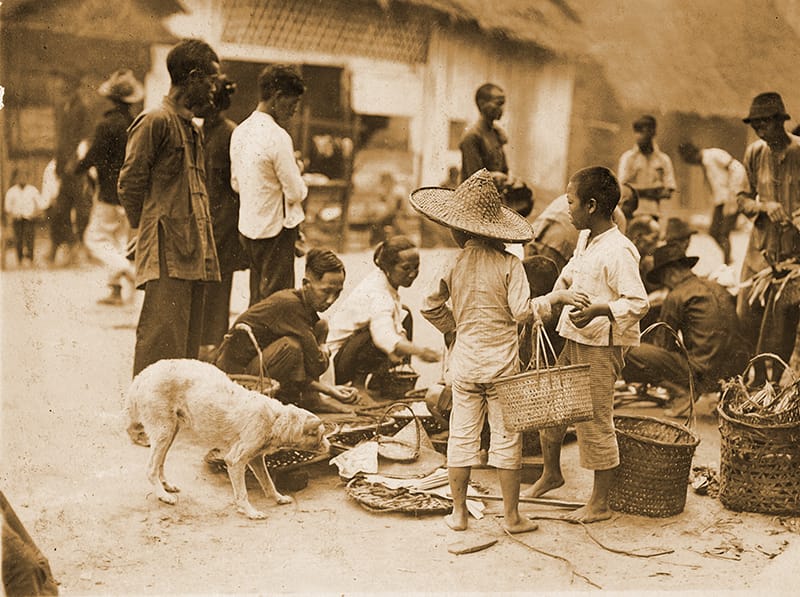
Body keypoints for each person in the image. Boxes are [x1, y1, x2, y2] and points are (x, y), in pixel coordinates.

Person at [414, 168, 585, 534]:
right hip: (502, 366)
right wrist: (553, 298)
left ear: (458, 229)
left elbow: (429, 305)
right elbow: (523, 312)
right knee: (508, 441)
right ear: (496, 230)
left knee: (462, 437)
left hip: (466, 364)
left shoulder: (453, 262)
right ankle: (512, 517)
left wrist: (454, 328)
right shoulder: (509, 264)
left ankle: (458, 514)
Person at [524, 166, 649, 523]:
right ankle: (551, 473)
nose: (566, 209)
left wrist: (600, 309)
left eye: (571, 202)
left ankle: (599, 502)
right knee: (554, 407)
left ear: (592, 206)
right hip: (573, 335)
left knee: (595, 418)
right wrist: (553, 299)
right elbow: (571, 274)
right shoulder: (585, 239)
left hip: (600, 345)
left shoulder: (620, 250)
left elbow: (639, 303)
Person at [118, 38, 222, 447]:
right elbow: (130, 183)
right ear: (193, 77)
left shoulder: (191, 128)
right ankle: (141, 423)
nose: (215, 89)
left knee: (183, 347)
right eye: (212, 80)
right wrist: (145, 229)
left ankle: (171, 416)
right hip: (167, 251)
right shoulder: (155, 121)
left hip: (193, 252)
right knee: (159, 340)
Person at [215, 248, 357, 414]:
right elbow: (317, 365)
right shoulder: (290, 305)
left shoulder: (302, 305)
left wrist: (329, 390)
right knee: (291, 347)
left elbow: (307, 366)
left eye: (337, 293)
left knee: (318, 328)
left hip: (255, 369)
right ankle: (309, 400)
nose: (330, 300)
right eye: (326, 291)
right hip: (234, 380)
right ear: (306, 284)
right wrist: (324, 345)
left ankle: (312, 400)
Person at [622, 243, 747, 415]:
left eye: (663, 278)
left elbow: (663, 343)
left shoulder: (677, 295)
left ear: (670, 273)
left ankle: (681, 391)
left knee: (629, 349)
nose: (665, 284)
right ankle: (725, 395)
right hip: (733, 373)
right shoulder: (716, 287)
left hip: (703, 375)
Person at [230, 65, 307, 306]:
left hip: (249, 227)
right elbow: (297, 192)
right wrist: (297, 170)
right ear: (277, 97)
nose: (294, 110)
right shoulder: (277, 136)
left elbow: (236, 184)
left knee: (257, 298)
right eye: (292, 103)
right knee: (278, 301)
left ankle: (253, 341)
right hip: (275, 231)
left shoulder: (240, 131)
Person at [737, 92, 800, 383]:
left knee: (782, 319)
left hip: (792, 253)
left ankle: (774, 382)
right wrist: (764, 206)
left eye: (765, 123)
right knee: (747, 312)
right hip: (759, 250)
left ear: (780, 121)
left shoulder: (799, 152)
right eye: (755, 125)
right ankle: (757, 376)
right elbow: (742, 198)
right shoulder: (754, 153)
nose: (760, 130)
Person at [327, 236, 441, 393]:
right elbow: (383, 336)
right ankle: (358, 385)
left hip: (347, 356)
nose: (413, 273)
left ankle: (382, 380)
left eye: (416, 267)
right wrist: (419, 351)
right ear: (388, 267)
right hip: (335, 364)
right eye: (406, 268)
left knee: (404, 313)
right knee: (372, 333)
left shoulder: (385, 281)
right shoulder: (378, 293)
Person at [75, 69, 143, 305]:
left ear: (111, 98)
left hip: (107, 192)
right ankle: (116, 290)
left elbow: (94, 154)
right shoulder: (135, 124)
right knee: (119, 241)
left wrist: (77, 168)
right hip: (128, 191)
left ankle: (130, 272)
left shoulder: (107, 124)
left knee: (94, 238)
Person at [195, 75, 248, 352]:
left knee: (218, 289)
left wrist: (221, 227)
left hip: (223, 222)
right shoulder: (200, 132)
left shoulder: (230, 133)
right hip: (203, 220)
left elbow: (236, 187)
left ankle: (213, 348)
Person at [528, 187, 632, 272]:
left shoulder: (579, 192)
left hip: (537, 235)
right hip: (560, 246)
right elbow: (615, 254)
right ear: (624, 202)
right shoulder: (617, 213)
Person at [678, 142, 747, 265]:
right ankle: (728, 258)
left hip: (732, 197)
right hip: (720, 200)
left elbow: (737, 168)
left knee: (724, 232)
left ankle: (727, 263)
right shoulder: (704, 164)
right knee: (714, 231)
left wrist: (734, 193)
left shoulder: (714, 154)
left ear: (692, 154)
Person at [617, 115, 676, 217]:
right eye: (637, 132)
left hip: (655, 214)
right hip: (632, 213)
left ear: (653, 132)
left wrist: (636, 191)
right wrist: (653, 191)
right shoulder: (628, 158)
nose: (640, 136)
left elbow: (668, 191)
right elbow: (623, 189)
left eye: (644, 131)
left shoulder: (663, 160)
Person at [4, 170, 42, 267]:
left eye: (24, 177)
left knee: (30, 238)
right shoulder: (11, 191)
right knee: (18, 239)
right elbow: (7, 207)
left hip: (29, 218)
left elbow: (40, 204)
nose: (22, 179)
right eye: (19, 177)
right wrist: (12, 215)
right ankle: (19, 260)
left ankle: (30, 260)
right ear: (16, 178)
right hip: (17, 219)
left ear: (27, 178)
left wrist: (35, 213)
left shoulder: (32, 190)